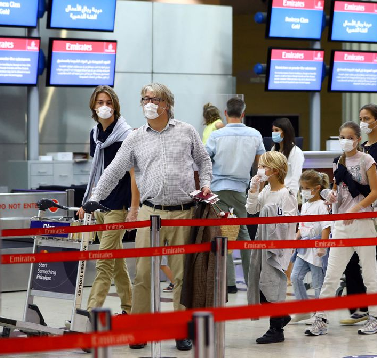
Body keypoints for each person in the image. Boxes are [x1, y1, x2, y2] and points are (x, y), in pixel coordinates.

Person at [87, 83, 212, 352]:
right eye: (144, 99)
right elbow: (114, 170)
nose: (147, 103)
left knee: (181, 276)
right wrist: (96, 196)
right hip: (150, 213)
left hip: (182, 211)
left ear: (166, 103)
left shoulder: (187, 131)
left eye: (152, 98)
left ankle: (181, 329)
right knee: (143, 274)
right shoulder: (135, 137)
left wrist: (207, 183)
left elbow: (203, 160)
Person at [306, 121, 377, 337]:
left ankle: (375, 318)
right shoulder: (337, 161)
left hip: (363, 224)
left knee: (369, 274)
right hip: (340, 225)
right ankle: (321, 318)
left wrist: (356, 209)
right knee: (331, 275)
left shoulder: (367, 160)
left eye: (349, 137)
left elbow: (374, 192)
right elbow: (337, 190)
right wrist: (331, 197)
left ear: (358, 139)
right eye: (342, 137)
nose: (345, 141)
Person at [78, 86, 138, 318]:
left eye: (108, 102)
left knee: (103, 262)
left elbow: (134, 174)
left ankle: (91, 315)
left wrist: (133, 208)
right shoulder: (95, 135)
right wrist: (88, 202)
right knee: (117, 260)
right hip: (99, 203)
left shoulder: (126, 134)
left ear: (115, 105)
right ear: (94, 106)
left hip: (117, 205)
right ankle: (129, 308)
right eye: (100, 102)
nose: (104, 107)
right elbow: (97, 173)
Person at [341, 104, 377, 327]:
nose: (363, 122)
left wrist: (374, 193)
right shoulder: (360, 148)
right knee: (354, 260)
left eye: (366, 118)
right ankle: (360, 308)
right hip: (361, 211)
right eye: (360, 118)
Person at [205, 97, 265, 293]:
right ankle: (250, 281)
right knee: (243, 233)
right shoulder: (255, 134)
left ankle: (228, 282)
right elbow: (260, 166)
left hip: (218, 188)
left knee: (222, 234)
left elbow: (205, 161)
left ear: (225, 113)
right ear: (243, 113)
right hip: (241, 189)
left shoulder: (216, 135)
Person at [246, 151, 298, 344]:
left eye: (264, 166)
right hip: (262, 243)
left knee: (272, 286)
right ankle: (281, 315)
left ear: (275, 170)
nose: (260, 170)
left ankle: (276, 329)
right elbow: (252, 210)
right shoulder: (266, 190)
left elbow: (288, 224)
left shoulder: (287, 194)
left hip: (277, 249)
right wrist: (253, 191)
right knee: (261, 285)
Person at [290, 170, 331, 323]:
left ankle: (320, 314)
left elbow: (326, 227)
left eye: (306, 188)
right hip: (303, 249)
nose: (304, 191)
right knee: (295, 277)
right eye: (302, 188)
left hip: (316, 250)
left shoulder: (322, 206)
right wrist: (297, 236)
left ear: (317, 188)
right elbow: (302, 225)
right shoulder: (306, 205)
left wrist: (323, 247)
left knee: (317, 283)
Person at [272, 118, 305, 194]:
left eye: (276, 130)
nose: (274, 133)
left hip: (287, 192)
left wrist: (292, 195)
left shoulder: (296, 152)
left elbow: (296, 176)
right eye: (273, 130)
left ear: (285, 132)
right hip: (273, 191)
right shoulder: (273, 149)